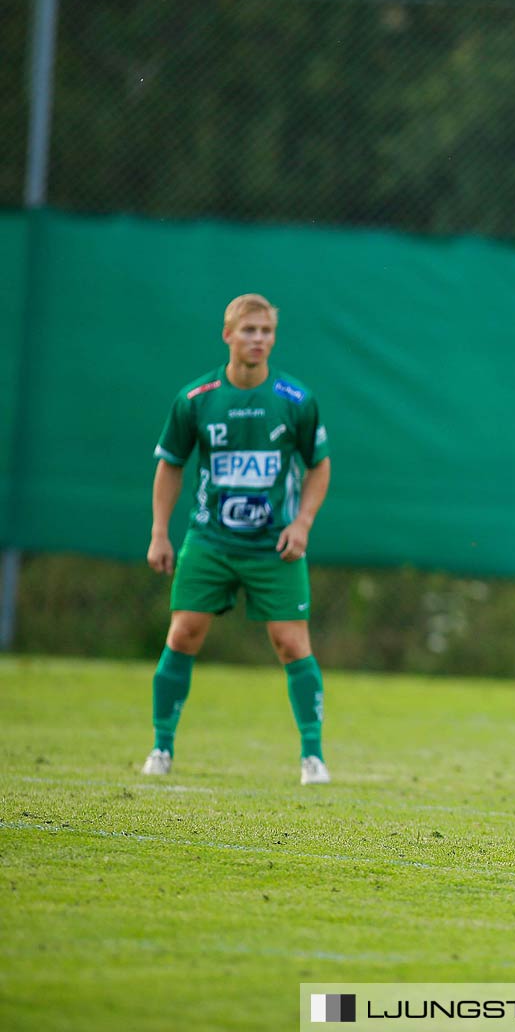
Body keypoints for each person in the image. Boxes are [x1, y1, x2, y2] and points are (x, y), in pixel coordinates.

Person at [143, 294, 333, 785]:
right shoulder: (196, 399)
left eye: (266, 331)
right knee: (184, 633)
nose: (258, 340)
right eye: (248, 330)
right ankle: (161, 747)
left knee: (291, 643)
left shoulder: (295, 400)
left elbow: (319, 466)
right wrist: (160, 533)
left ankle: (313, 757)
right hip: (210, 540)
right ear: (227, 335)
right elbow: (171, 466)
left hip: (275, 544)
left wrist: (303, 524)